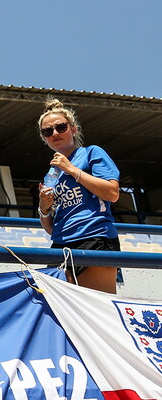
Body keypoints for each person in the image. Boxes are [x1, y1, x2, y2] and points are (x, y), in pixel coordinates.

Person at [37, 98, 121, 294]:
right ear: (44, 138)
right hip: (61, 244)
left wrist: (72, 170)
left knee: (98, 311)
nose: (55, 133)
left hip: (95, 236)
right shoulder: (51, 174)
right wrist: (44, 208)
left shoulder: (91, 153)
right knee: (63, 314)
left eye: (60, 127)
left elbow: (112, 193)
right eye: (48, 131)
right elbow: (50, 228)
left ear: (73, 129)